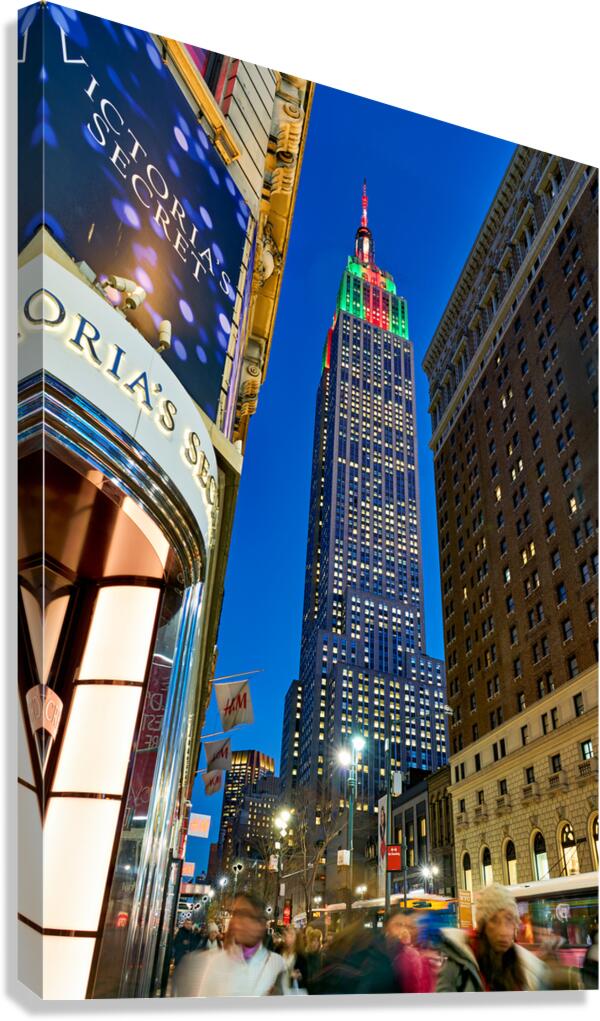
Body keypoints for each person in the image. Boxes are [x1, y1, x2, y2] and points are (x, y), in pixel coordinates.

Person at [436, 884, 549, 992]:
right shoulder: (458, 963)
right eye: (494, 920)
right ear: (482, 926)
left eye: (509, 919)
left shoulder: (529, 969)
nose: (503, 931)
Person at [172, 892, 289, 997]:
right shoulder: (214, 962)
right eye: (236, 914)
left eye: (245, 914)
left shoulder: (277, 964)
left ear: (260, 923)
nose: (237, 921)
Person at [386, 909, 435, 993]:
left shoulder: (415, 957)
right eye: (399, 925)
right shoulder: (378, 953)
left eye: (408, 926)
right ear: (387, 928)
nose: (404, 930)